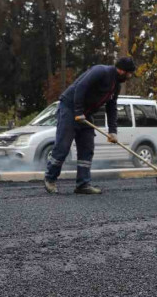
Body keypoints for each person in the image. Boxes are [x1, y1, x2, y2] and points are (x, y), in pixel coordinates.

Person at [44, 57, 138, 195]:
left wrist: (113, 131)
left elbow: (111, 107)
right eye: (129, 73)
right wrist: (78, 112)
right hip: (70, 108)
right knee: (63, 146)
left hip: (86, 113)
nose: (130, 76)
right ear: (122, 70)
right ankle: (50, 178)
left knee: (87, 147)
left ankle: (83, 184)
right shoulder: (101, 71)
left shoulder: (116, 85)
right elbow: (80, 87)